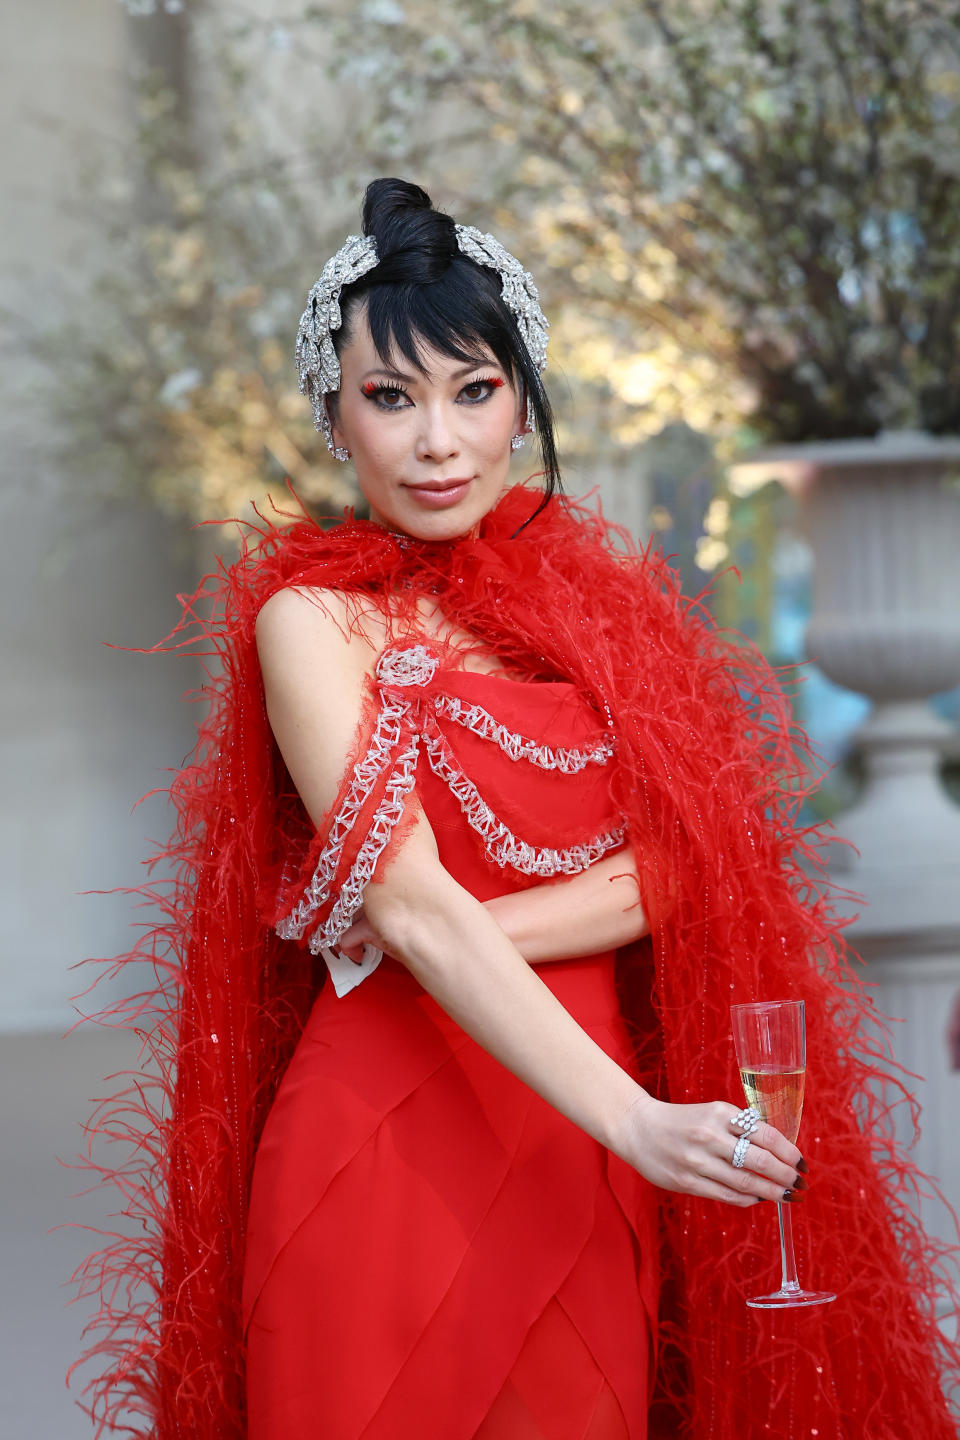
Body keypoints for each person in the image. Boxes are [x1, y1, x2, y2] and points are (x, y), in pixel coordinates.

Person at [68, 178, 960, 1440]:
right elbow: (413, 901)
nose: (439, 442)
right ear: (336, 414)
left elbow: (678, 872)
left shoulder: (607, 619)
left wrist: (384, 939)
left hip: (575, 1164)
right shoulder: (310, 622)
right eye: (392, 397)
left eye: (474, 391)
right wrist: (634, 1115)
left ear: (523, 404)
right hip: (393, 1143)